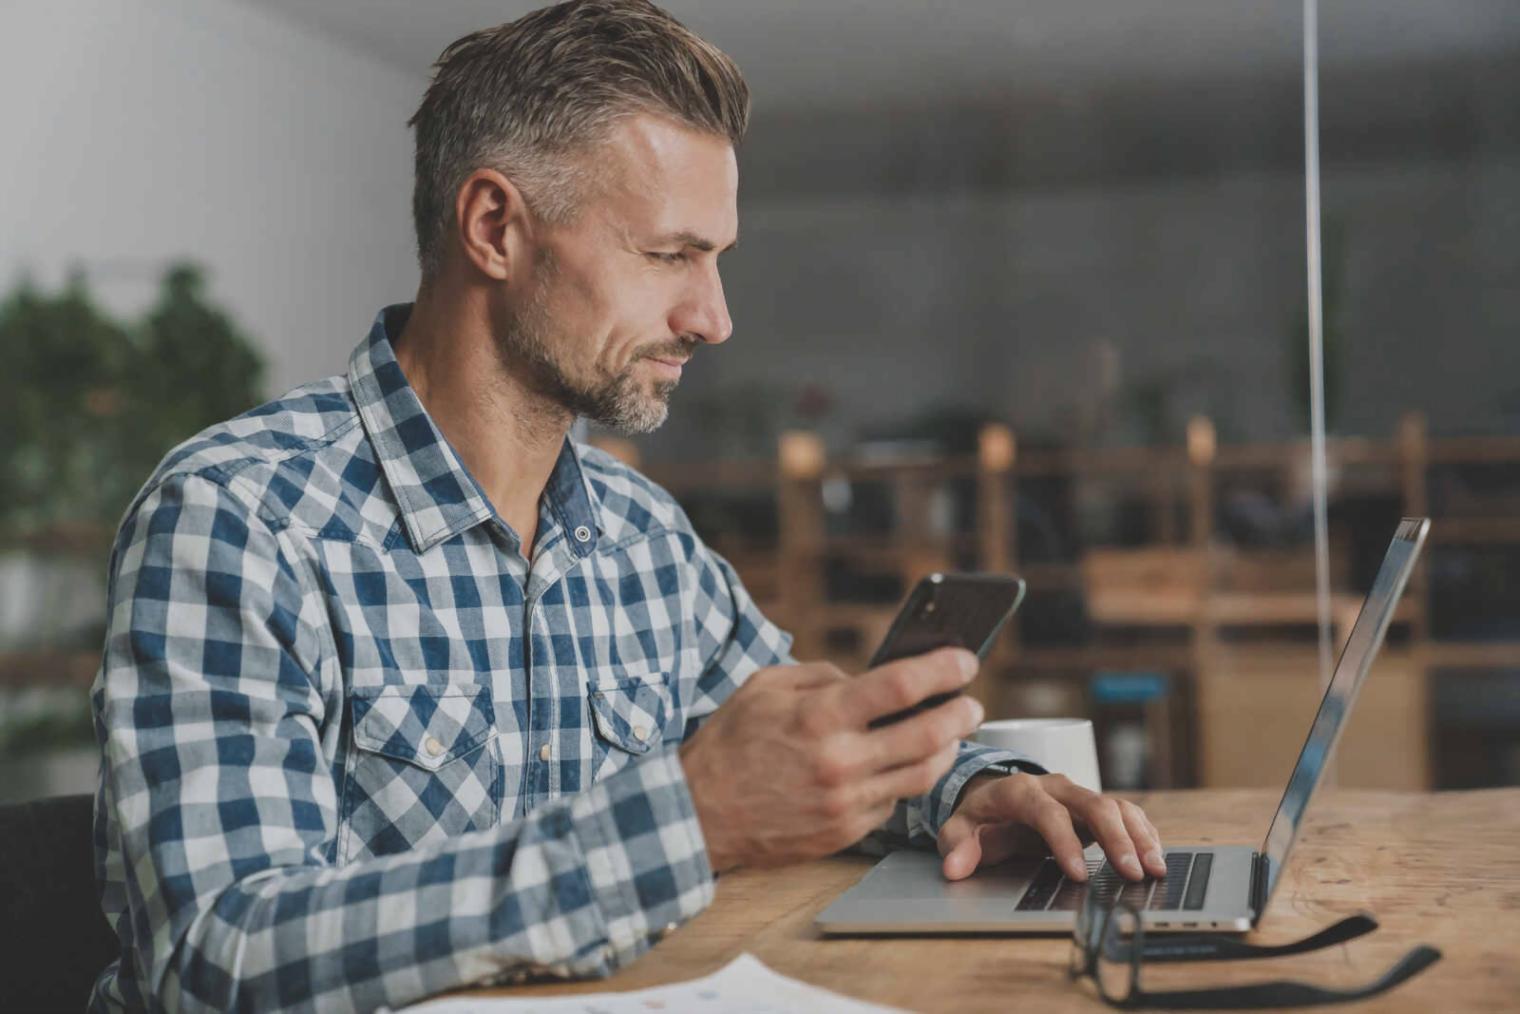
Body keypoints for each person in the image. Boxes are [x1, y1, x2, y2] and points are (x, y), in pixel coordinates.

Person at [89, 2, 1167, 1010]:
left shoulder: (637, 533)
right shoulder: (238, 519)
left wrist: (976, 787)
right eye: (667, 256)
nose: (712, 317)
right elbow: (215, 956)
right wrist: (690, 821)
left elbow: (801, 727)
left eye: (715, 259)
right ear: (495, 228)